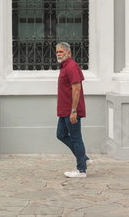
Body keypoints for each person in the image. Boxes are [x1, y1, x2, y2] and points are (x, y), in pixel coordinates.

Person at [55, 42, 92, 178]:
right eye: (57, 52)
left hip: (71, 110)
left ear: (69, 53)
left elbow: (76, 90)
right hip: (64, 109)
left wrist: (74, 111)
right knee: (61, 135)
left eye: (61, 52)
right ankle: (85, 159)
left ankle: (81, 170)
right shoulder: (64, 67)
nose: (58, 54)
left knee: (76, 138)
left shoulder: (71, 67)